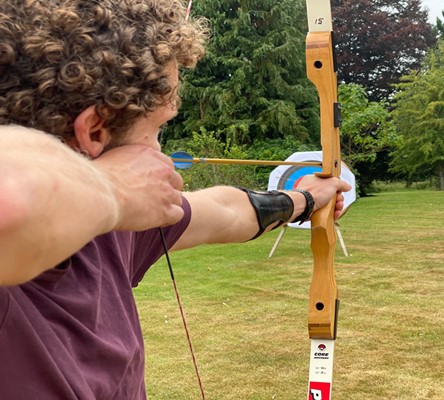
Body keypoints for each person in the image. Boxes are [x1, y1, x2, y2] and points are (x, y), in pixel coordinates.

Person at [0, 1, 351, 398]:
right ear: (95, 130)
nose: (162, 154)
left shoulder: (114, 228)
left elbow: (224, 211)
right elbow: (11, 202)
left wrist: (305, 198)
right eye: (158, 127)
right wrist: (114, 188)